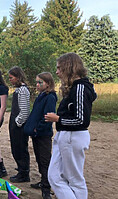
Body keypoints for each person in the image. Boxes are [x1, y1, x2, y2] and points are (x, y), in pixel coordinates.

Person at [45, 52, 97, 199]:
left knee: (75, 180)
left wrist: (58, 119)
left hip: (73, 136)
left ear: (69, 68)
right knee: (54, 176)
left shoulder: (80, 87)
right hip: (66, 136)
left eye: (59, 68)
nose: (57, 72)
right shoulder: (74, 87)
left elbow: (82, 120)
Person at [24, 72, 57, 199]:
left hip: (43, 135)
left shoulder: (50, 97)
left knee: (45, 161)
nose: (37, 85)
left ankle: (46, 189)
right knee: (39, 159)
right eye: (36, 82)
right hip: (36, 134)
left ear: (48, 84)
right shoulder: (41, 96)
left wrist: (37, 129)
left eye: (40, 82)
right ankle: (43, 181)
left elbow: (48, 116)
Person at [8, 66, 31, 183]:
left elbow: (25, 110)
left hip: (19, 125)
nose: (10, 80)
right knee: (15, 148)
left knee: (21, 148)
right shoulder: (18, 90)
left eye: (11, 78)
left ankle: (24, 173)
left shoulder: (23, 90)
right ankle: (21, 170)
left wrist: (17, 123)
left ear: (18, 77)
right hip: (15, 123)